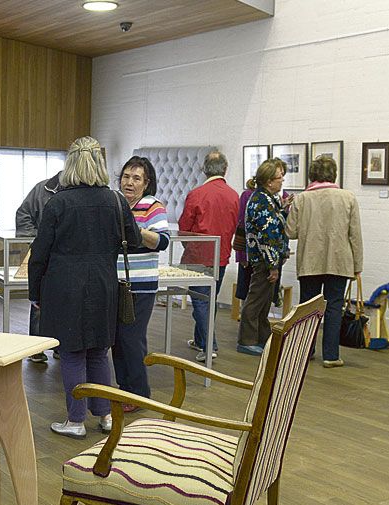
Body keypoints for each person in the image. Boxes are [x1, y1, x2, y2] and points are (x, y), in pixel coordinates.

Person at [28, 137, 143, 439]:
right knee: (98, 352)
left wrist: (35, 293)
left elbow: (39, 253)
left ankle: (76, 420)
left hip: (64, 287)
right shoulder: (116, 200)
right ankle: (104, 415)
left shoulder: (58, 203)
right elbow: (133, 240)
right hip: (104, 284)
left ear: (70, 164)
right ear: (100, 164)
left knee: (72, 353)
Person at [286, 155, 363, 368]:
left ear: (312, 174)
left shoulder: (301, 199)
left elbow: (291, 232)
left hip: (310, 261)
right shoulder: (348, 198)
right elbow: (355, 235)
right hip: (339, 262)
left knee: (308, 308)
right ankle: (330, 355)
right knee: (334, 307)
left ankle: (305, 351)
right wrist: (358, 265)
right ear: (334, 174)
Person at [112, 156, 170, 412]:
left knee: (132, 339)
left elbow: (162, 241)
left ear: (146, 183)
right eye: (126, 176)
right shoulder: (114, 203)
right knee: (116, 340)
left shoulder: (152, 207)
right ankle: (125, 391)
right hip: (114, 283)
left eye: (136, 178)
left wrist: (134, 230)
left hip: (141, 285)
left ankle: (139, 393)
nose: (130, 183)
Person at [178, 150, 240, 359]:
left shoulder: (197, 194)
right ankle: (200, 340)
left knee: (200, 301)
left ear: (204, 169)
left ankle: (209, 346)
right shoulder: (234, 196)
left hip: (199, 256)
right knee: (209, 300)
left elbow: (184, 227)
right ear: (225, 169)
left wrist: (189, 247)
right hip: (221, 256)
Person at [237, 159, 290, 355]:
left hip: (267, 260)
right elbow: (266, 236)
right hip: (263, 261)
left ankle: (261, 337)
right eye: (279, 177)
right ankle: (247, 340)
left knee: (263, 301)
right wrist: (273, 265)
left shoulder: (268, 199)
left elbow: (274, 226)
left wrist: (283, 209)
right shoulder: (261, 201)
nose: (282, 180)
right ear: (269, 181)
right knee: (256, 300)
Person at [16, 172, 61, 362]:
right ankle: (36, 348)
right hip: (44, 254)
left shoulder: (79, 190)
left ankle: (61, 346)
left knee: (65, 303)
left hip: (66, 256)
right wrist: (35, 238)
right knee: (39, 301)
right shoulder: (42, 189)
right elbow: (23, 213)